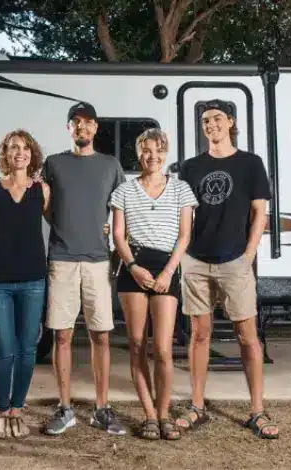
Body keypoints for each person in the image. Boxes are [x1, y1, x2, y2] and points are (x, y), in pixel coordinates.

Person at [175, 99, 279, 439]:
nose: (211, 125)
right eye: (206, 120)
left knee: (247, 337)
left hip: (235, 260)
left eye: (217, 118)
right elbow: (184, 215)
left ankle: (257, 411)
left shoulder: (250, 164)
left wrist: (249, 254)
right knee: (199, 335)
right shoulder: (190, 167)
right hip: (197, 261)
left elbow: (259, 213)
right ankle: (197, 406)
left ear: (230, 122)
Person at [41, 102, 127, 436]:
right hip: (62, 259)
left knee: (101, 335)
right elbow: (47, 207)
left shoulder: (110, 165)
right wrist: (65, 225)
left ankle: (102, 409)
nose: (82, 128)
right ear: (69, 128)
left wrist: (112, 235)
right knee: (61, 335)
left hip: (98, 261)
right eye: (76, 123)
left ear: (96, 129)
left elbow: (119, 207)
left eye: (88, 123)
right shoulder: (54, 164)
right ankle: (65, 408)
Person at [109, 128, 197, 440]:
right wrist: (132, 266)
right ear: (139, 154)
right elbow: (118, 235)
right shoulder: (124, 191)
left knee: (162, 348)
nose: (152, 156)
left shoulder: (181, 189)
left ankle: (164, 415)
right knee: (136, 344)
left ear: (166, 153)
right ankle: (148, 415)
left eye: (158, 150)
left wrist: (168, 273)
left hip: (166, 267)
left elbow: (185, 235)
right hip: (134, 267)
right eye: (146, 150)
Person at [0, 129, 50, 439]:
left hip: (33, 280)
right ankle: (2, 412)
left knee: (27, 350)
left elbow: (61, 224)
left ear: (33, 154)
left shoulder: (42, 190)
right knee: (3, 348)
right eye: (14, 147)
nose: (20, 152)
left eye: (26, 147)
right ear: (6, 153)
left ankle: (18, 408)